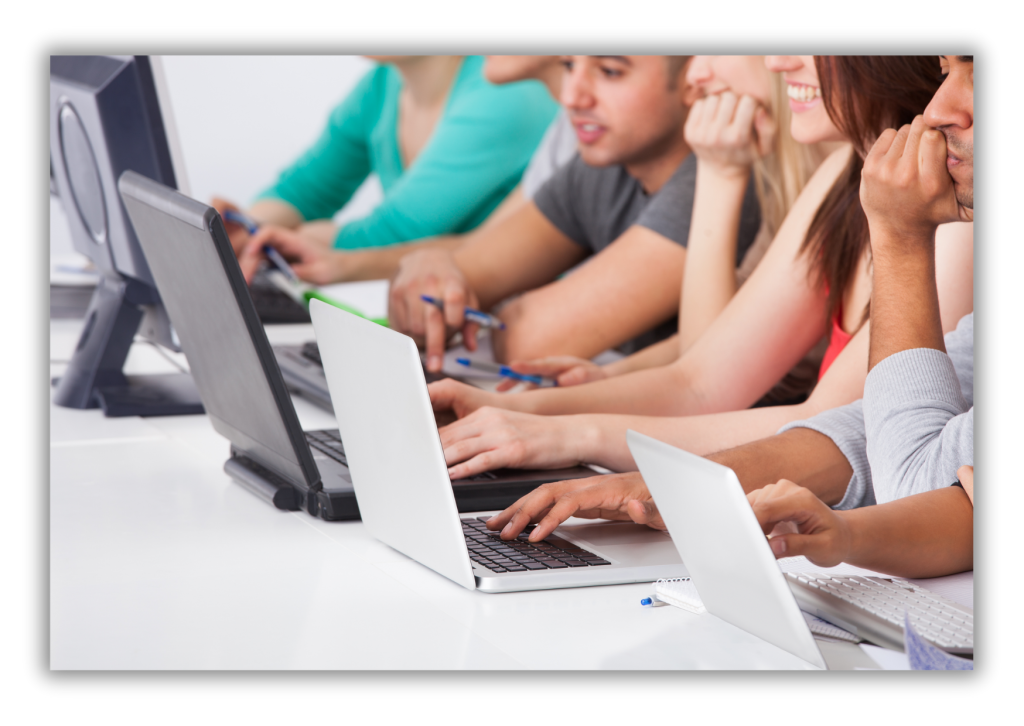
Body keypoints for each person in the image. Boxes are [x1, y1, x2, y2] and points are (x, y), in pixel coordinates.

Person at [486, 56, 975, 580]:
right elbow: (843, 423)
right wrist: (656, 480)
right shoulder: (847, 178)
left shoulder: (949, 216)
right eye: (948, 70)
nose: (777, 59)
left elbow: (905, 463)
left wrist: (569, 435)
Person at [388, 55, 765, 371]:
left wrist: (463, 298)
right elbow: (448, 285)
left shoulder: (720, 177)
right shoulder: (604, 164)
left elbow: (529, 341)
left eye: (610, 71)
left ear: (693, 78)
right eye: (569, 65)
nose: (571, 96)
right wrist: (429, 266)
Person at [214, 55, 557, 281]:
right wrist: (248, 227)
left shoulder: (506, 89)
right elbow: (304, 190)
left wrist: (272, 242)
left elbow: (391, 236)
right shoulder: (381, 84)